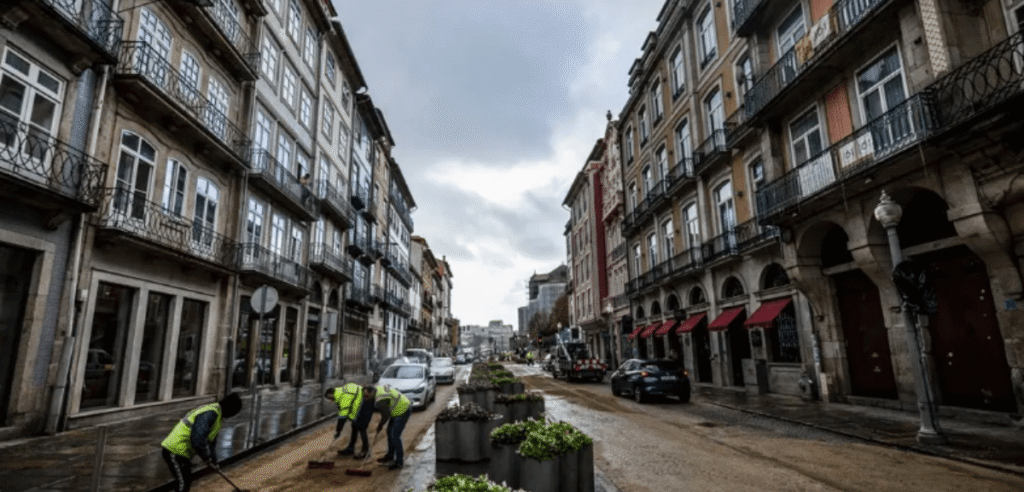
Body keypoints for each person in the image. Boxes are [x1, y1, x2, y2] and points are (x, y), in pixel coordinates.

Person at [161, 393, 242, 492]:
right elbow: (197, 438)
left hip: (182, 451)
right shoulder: (210, 413)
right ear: (230, 410)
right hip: (174, 449)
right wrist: (206, 457)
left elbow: (211, 442)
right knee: (183, 482)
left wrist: (213, 460)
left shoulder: (217, 416)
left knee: (186, 480)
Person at [363, 383, 411, 470]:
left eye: (366, 396)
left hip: (403, 409)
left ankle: (399, 461)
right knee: (389, 431)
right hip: (398, 407)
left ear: (371, 392)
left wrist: (380, 426)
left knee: (395, 436)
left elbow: (385, 416)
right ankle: (390, 456)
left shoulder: (379, 400)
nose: (366, 398)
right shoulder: (378, 388)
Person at [325, 383, 372, 458]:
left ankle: (365, 451)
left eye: (330, 397)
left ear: (332, 393)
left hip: (365, 400)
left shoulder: (343, 397)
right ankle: (351, 448)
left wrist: (338, 431)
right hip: (360, 401)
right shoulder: (340, 393)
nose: (330, 400)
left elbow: (342, 416)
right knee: (354, 425)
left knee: (361, 427)